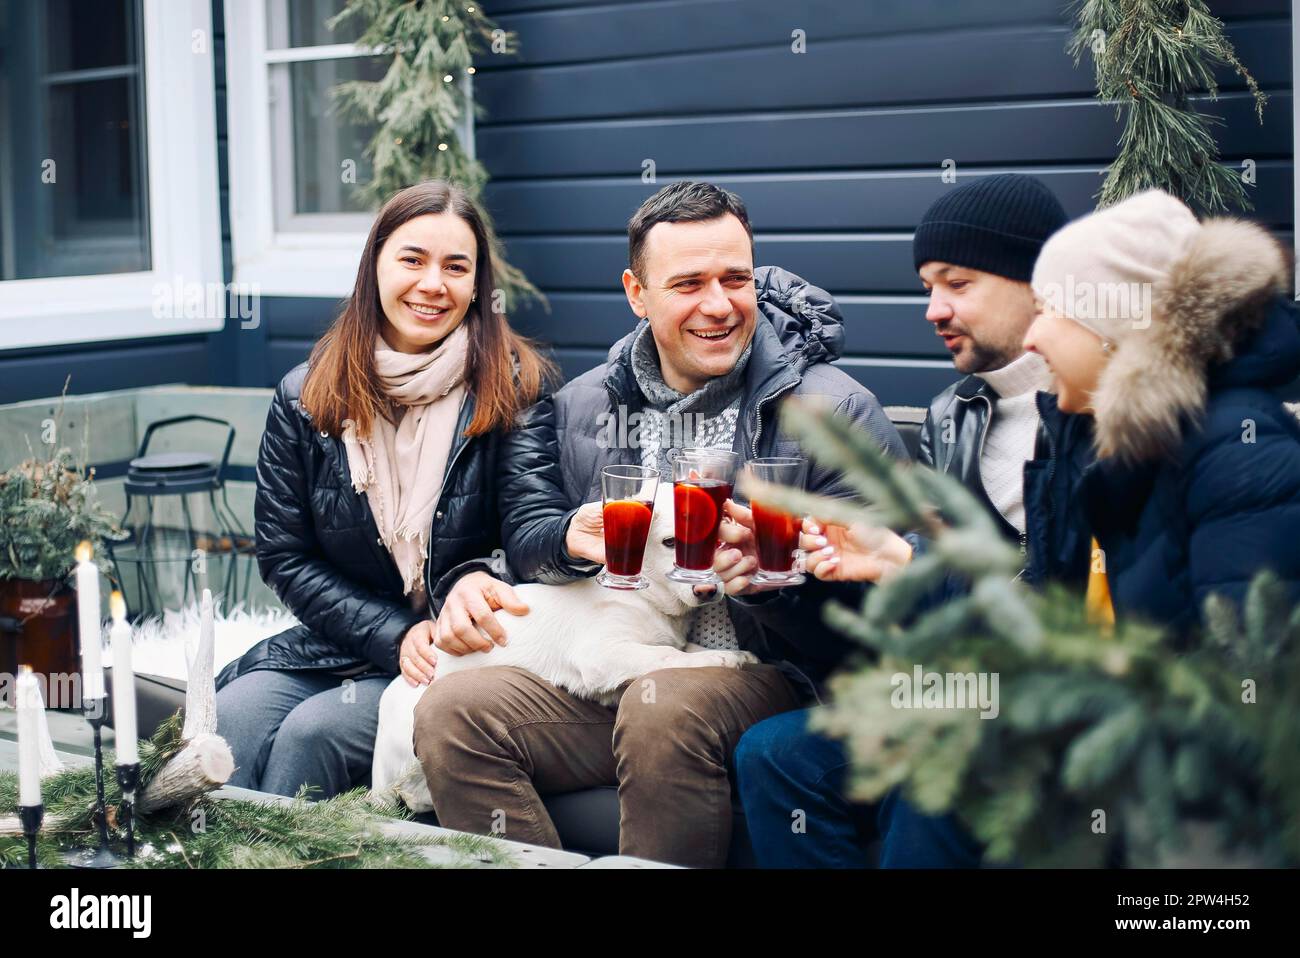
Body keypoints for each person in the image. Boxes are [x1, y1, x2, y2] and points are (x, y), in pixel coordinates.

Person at [410, 180, 907, 867]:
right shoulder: (584, 404)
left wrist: (775, 582)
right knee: (451, 711)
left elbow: (896, 608)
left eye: (736, 278)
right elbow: (525, 539)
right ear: (637, 294)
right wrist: (487, 571)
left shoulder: (834, 413)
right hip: (622, 653)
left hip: (778, 672)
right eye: (689, 283)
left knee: (662, 701)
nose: (719, 304)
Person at [728, 174, 1084, 868]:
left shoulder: (1095, 414)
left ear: (1039, 281)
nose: (933, 309)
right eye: (927, 287)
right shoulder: (958, 413)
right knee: (774, 752)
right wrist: (805, 573)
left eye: (957, 283)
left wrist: (905, 560)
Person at [214, 181, 554, 798]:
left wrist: (467, 594)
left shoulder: (513, 390)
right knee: (229, 720)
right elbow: (284, 556)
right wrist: (391, 632)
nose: (434, 284)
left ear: (478, 286)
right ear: (375, 265)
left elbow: (530, 537)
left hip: (453, 654)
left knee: (311, 736)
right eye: (413, 260)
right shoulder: (305, 396)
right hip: (341, 643)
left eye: (456, 267)